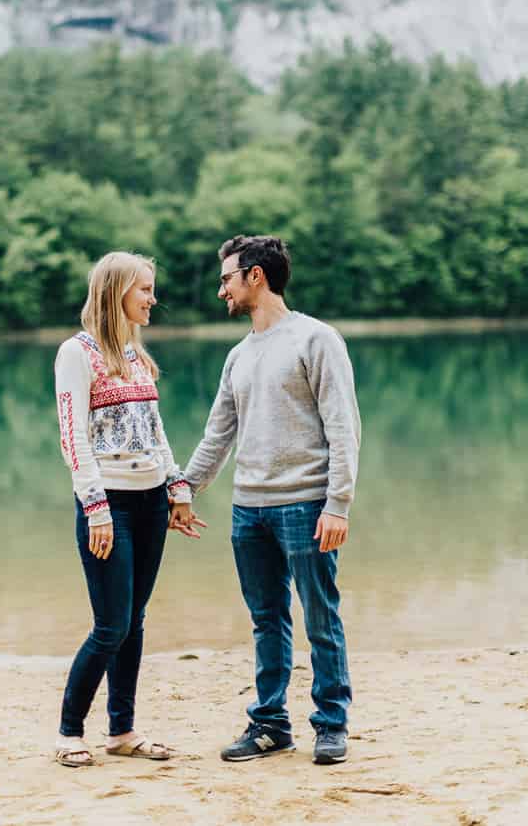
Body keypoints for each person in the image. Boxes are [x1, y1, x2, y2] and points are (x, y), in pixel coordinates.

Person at [178, 235, 361, 766]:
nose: (222, 291)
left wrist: (338, 503)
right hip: (248, 510)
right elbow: (218, 434)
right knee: (267, 620)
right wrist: (183, 489)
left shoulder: (316, 339)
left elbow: (344, 427)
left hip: (306, 505)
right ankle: (270, 725)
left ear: (255, 276)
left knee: (321, 618)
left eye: (227, 279)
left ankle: (331, 724)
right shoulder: (238, 355)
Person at [53, 251, 201, 767]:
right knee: (111, 625)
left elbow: (156, 433)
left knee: (134, 620)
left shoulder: (137, 355)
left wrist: (178, 488)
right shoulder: (76, 353)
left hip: (151, 502)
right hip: (108, 505)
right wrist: (95, 508)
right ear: (117, 292)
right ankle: (70, 733)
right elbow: (73, 438)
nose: (153, 299)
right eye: (145, 289)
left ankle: (122, 731)